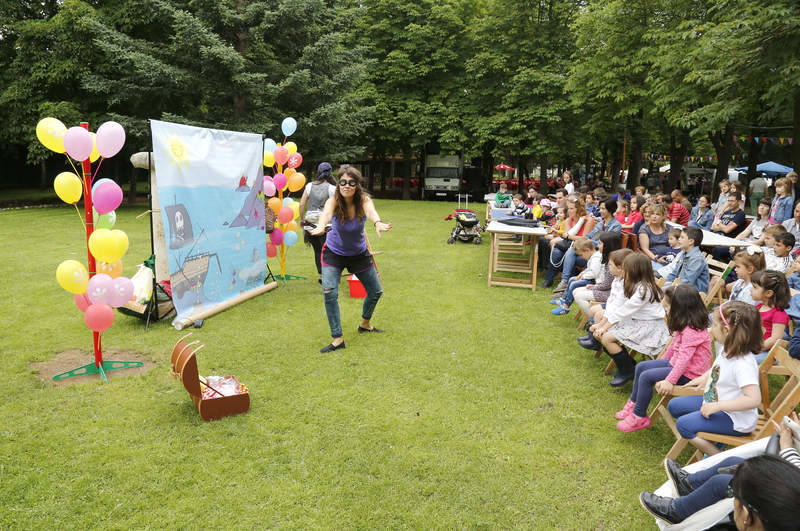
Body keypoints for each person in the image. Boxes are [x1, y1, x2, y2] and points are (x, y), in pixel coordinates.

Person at [639, 417, 800, 527]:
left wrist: (786, 448)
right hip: (788, 486)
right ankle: (688, 484)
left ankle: (677, 512)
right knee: (732, 462)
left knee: (720, 483)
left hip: (787, 500)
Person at [309, 166, 392, 353]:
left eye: (351, 182)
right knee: (329, 292)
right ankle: (337, 338)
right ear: (338, 183)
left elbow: (371, 212)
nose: (347, 185)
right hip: (334, 253)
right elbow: (326, 215)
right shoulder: (334, 200)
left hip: (358, 254)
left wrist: (378, 223)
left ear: (357, 184)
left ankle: (365, 324)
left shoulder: (363, 200)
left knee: (376, 291)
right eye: (343, 182)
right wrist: (321, 226)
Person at [667, 301, 762, 456]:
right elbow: (720, 367)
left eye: (715, 325)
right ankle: (712, 436)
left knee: (683, 425)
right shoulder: (728, 347)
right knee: (674, 406)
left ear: (726, 330)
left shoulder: (743, 363)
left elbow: (753, 399)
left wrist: (716, 407)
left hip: (736, 419)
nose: (710, 329)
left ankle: (718, 458)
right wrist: (705, 377)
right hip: (718, 400)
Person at [616, 284, 711, 432]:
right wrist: (658, 363)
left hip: (690, 374)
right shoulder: (686, 324)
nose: (666, 310)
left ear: (681, 308)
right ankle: (634, 403)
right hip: (679, 366)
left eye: (667, 307)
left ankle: (639, 416)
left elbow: (684, 361)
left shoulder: (692, 330)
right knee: (642, 367)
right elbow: (673, 347)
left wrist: (669, 380)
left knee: (646, 377)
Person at [586, 253, 671, 386]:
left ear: (635, 271)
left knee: (606, 337)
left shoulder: (644, 289)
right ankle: (629, 366)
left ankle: (626, 370)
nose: (623, 271)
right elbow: (618, 309)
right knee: (601, 334)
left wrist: (603, 327)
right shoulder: (633, 284)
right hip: (635, 322)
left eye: (626, 269)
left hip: (650, 328)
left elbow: (623, 311)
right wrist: (601, 326)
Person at [549, 197, 619, 293]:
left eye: (603, 209)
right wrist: (586, 241)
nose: (600, 211)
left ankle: (564, 283)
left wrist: (588, 242)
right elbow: (588, 236)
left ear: (610, 210)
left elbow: (607, 244)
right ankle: (565, 285)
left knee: (571, 253)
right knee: (571, 252)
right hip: (592, 253)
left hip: (602, 257)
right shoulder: (601, 223)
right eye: (600, 208)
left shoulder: (616, 225)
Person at [550, 234, 613, 316]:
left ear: (587, 250)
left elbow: (594, 273)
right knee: (572, 279)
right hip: (593, 279)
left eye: (581, 255)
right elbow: (589, 269)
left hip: (595, 281)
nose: (581, 257)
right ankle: (563, 299)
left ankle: (566, 306)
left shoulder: (596, 258)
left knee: (574, 283)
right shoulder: (593, 256)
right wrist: (582, 273)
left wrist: (583, 276)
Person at [542, 197, 596, 288]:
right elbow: (565, 236)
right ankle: (549, 280)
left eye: (572, 208)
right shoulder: (568, 220)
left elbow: (584, 239)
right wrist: (570, 236)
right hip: (569, 246)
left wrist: (569, 236)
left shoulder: (588, 220)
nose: (569, 211)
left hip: (582, 250)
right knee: (556, 252)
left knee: (568, 254)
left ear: (579, 209)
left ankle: (565, 282)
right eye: (568, 208)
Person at [299, 162, 337, 281]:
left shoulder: (309, 186)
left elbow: (301, 204)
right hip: (326, 224)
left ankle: (321, 275)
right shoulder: (332, 188)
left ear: (318, 172)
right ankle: (329, 275)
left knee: (317, 250)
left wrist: (301, 219)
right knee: (328, 250)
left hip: (310, 223)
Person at [573, 245, 629, 320]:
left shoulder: (615, 268)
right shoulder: (615, 271)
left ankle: (591, 319)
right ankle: (591, 318)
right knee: (576, 291)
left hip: (607, 293)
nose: (597, 245)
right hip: (607, 292)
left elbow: (607, 286)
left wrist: (594, 287)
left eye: (600, 243)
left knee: (579, 295)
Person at [750, 270, 790, 364]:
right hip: (754, 347)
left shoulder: (779, 314)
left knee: (745, 361)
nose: (750, 289)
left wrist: (756, 349)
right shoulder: (758, 307)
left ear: (768, 293)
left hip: (768, 353)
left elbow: (775, 339)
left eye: (755, 287)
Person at [664, 227, 710, 293]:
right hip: (679, 285)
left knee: (660, 291)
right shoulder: (684, 253)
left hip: (692, 291)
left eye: (682, 237)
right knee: (656, 287)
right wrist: (663, 282)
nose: (679, 239)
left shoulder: (697, 258)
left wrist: (671, 286)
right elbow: (674, 273)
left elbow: (688, 281)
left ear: (691, 241)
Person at [711, 192, 747, 262]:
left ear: (739, 202)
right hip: (715, 236)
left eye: (732, 201)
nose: (729, 203)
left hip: (726, 241)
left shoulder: (740, 214)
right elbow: (712, 227)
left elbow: (727, 230)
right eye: (728, 200)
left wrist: (719, 223)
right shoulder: (726, 212)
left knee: (717, 248)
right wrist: (722, 226)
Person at [638, 204, 673, 269]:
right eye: (652, 214)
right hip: (653, 258)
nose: (654, 216)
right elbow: (645, 249)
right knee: (660, 271)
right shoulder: (644, 229)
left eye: (657, 214)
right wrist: (656, 259)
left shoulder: (669, 228)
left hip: (669, 257)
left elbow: (675, 244)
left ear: (663, 216)